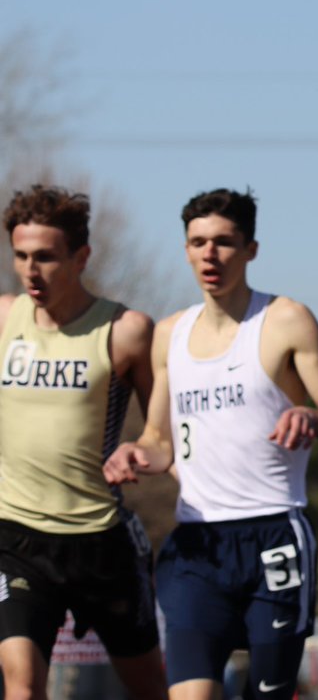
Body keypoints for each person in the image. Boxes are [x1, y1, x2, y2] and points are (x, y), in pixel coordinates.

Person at [104, 188, 318, 700]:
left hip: (275, 537)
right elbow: (159, 440)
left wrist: (311, 416)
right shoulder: (168, 335)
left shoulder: (285, 320)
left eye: (224, 242)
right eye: (198, 242)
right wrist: (135, 452)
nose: (210, 254)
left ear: (250, 250)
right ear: (185, 249)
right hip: (197, 544)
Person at [0, 185, 167, 699]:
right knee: (23, 687)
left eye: (46, 257)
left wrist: (140, 450)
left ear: (81, 257)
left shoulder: (126, 331)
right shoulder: (5, 318)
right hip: (18, 537)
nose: (32, 270)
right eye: (22, 256)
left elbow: (163, 435)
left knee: (148, 690)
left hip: (100, 540)